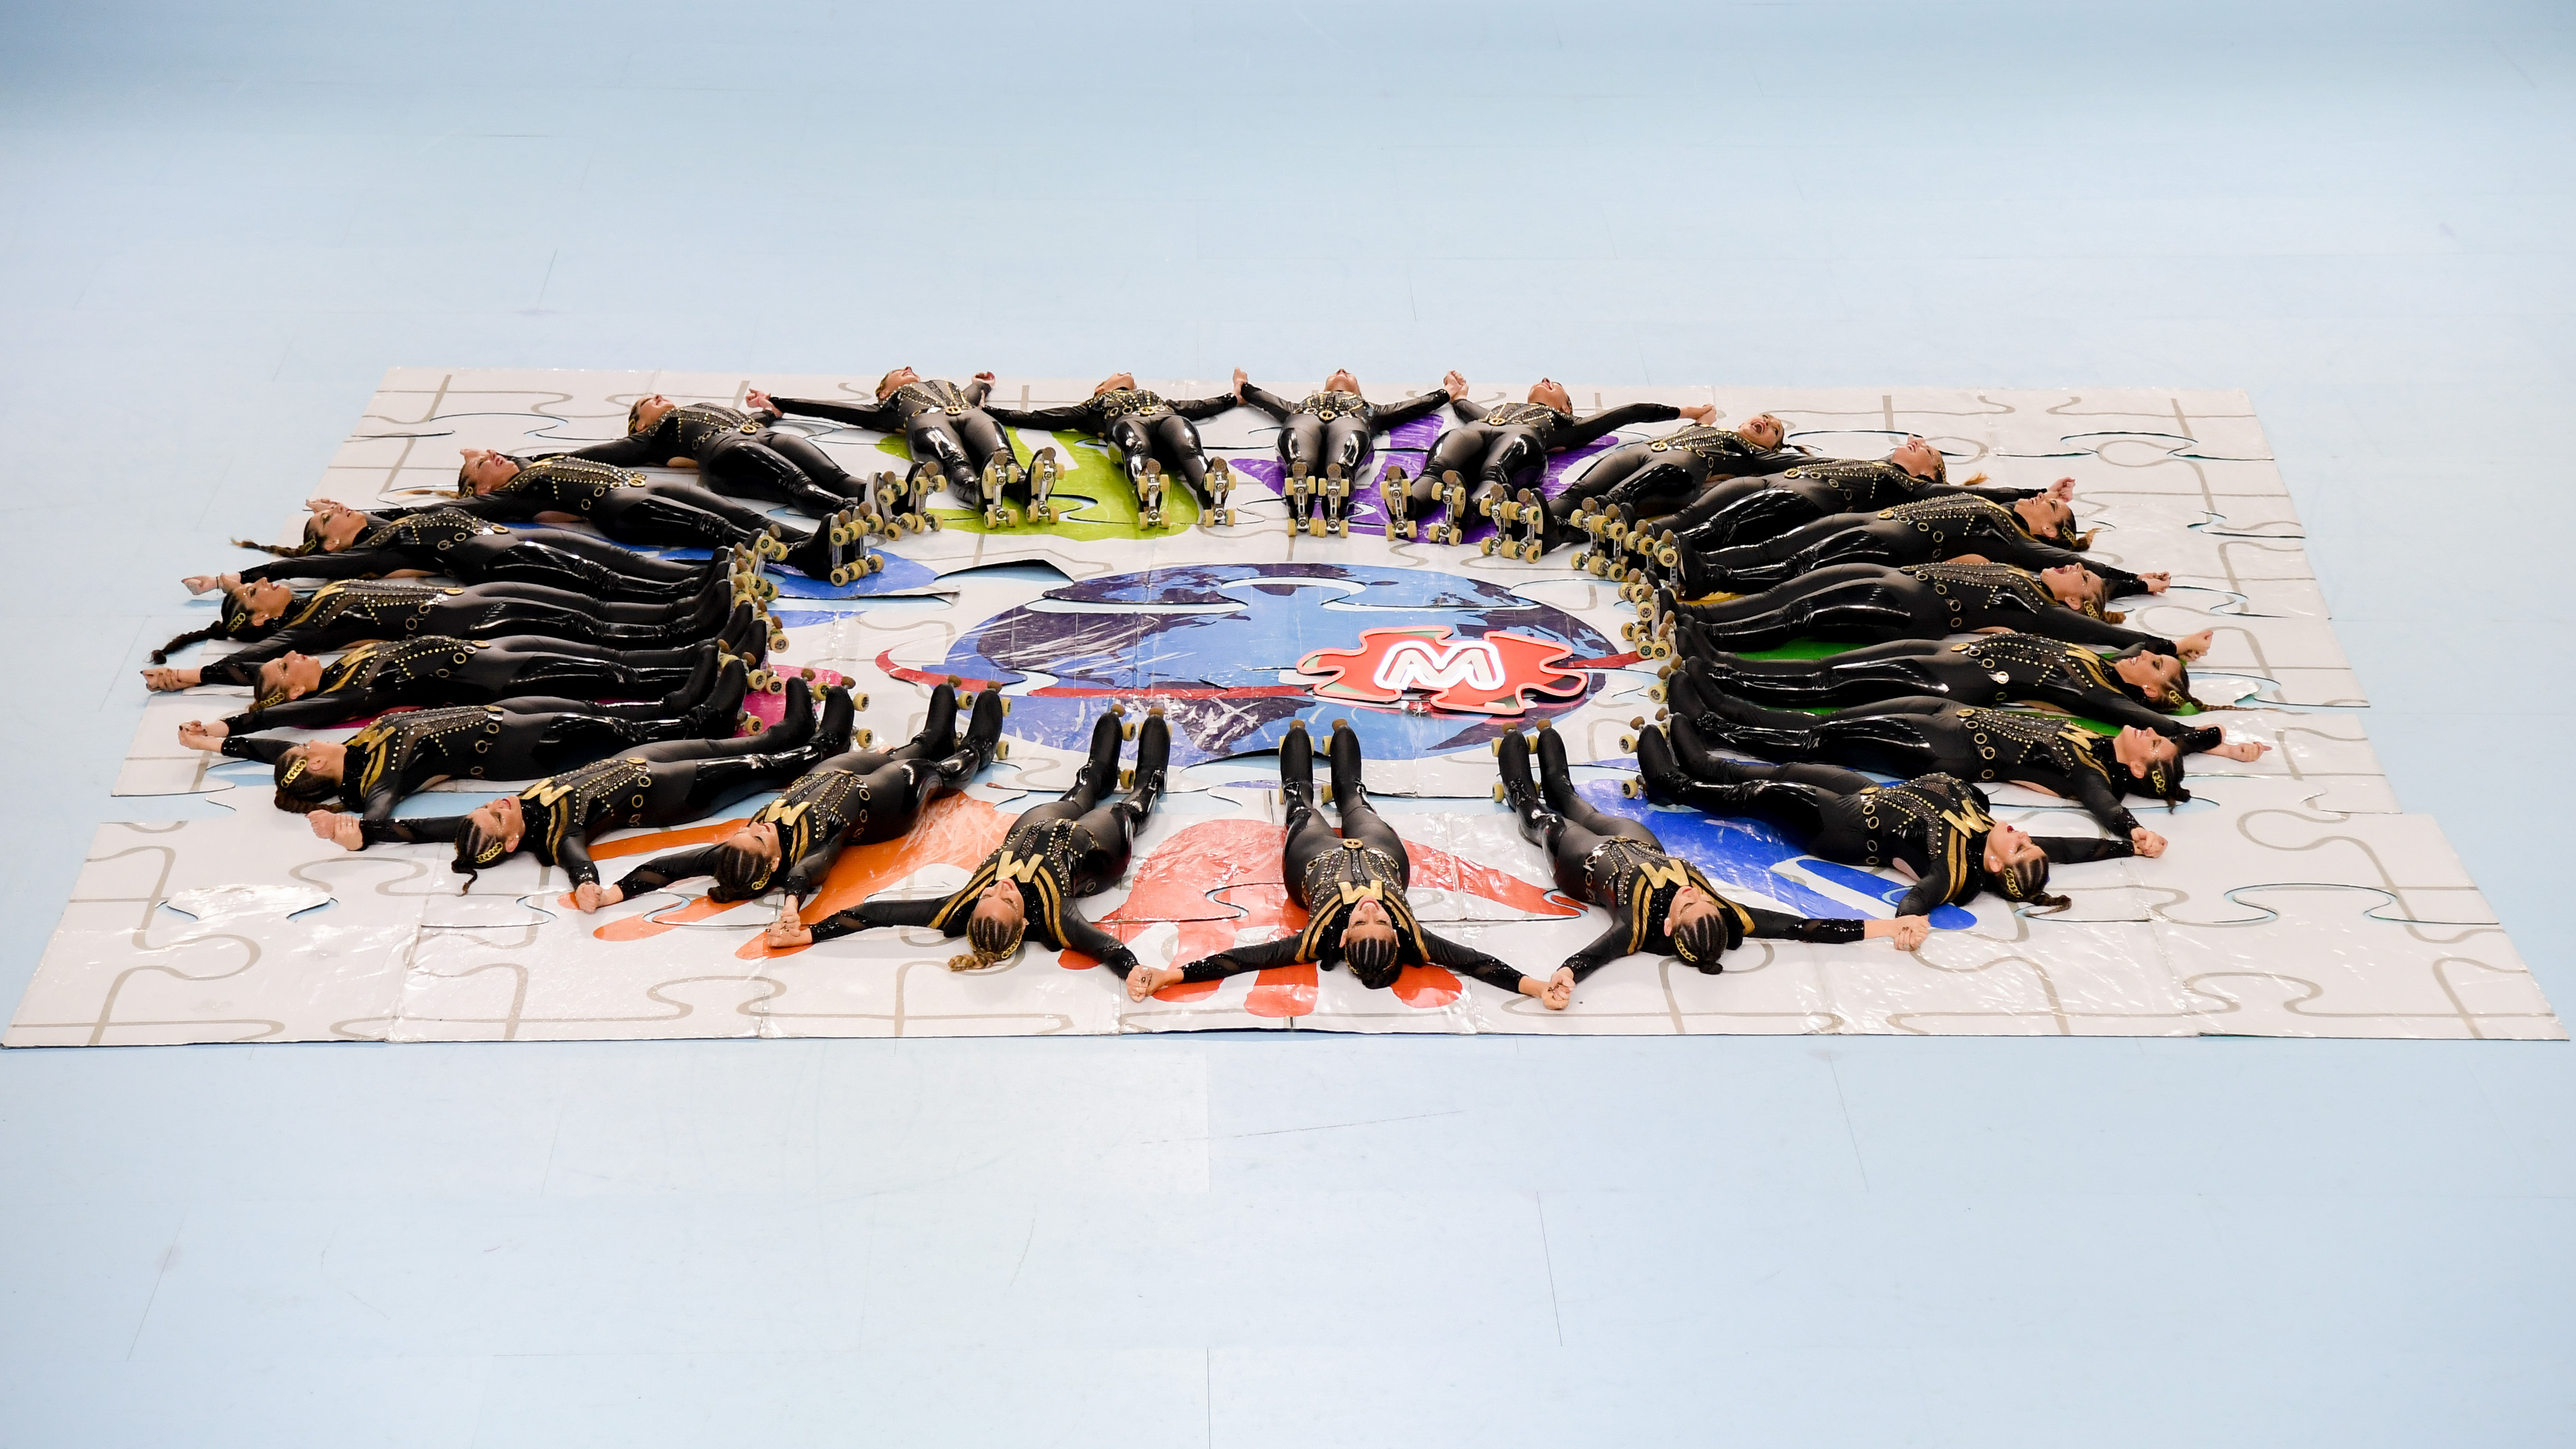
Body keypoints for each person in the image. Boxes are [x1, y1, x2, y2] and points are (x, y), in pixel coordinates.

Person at [1123, 719, 1563, 1007]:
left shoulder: (1318, 938)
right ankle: (1345, 766)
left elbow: (1244, 959)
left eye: (1360, 923)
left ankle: (1298, 762)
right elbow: (1476, 963)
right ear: (1396, 937)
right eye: (1382, 921)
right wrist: (1538, 986)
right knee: (1356, 800)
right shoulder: (1414, 938)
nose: (1370, 910)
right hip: (1381, 855)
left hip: (1313, 859)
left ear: (1345, 936)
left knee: (1301, 806)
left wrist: (1170, 976)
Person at [1495, 723, 1919, 1002]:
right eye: (1703, 900)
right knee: (1573, 801)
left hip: (1583, 863)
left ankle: (1519, 788)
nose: (1692, 893)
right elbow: (1805, 928)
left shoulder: (1635, 926)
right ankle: (1554, 771)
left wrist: (1567, 975)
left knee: (1542, 817)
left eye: (1687, 904)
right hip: (1638, 842)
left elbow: (1593, 955)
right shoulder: (1731, 916)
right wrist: (1888, 927)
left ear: (1668, 926)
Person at [767, 703, 1167, 975]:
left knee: (1079, 794)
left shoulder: (956, 907)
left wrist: (811, 932)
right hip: (1096, 850)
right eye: (1008, 900)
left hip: (1031, 830)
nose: (1001, 887)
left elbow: (875, 914)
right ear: (1024, 921)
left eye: (988, 895)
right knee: (1130, 808)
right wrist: (1133, 971)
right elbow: (1104, 946)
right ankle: (1150, 780)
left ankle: (1097, 775)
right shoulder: (1057, 917)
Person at [1632, 715, 2137, 923]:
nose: (2024, 834)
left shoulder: (1953, 872)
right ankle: (1701, 762)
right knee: (1780, 770)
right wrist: (2129, 840)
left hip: (1838, 827)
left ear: (1998, 867)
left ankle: (1672, 785)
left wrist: (1909, 923)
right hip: (1868, 795)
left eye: (2022, 847)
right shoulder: (1988, 833)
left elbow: (1915, 900)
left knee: (1761, 794)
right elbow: (2065, 847)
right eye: (2029, 840)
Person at [381, 678, 849, 902]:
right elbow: (579, 864)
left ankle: (792, 729)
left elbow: (430, 827)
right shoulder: (557, 836)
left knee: (737, 744)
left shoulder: (518, 810)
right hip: (680, 793)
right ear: (510, 841)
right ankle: (825, 745)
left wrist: (367, 831)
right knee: (765, 767)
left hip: (637, 763)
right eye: (497, 815)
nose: (497, 803)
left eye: (487, 806)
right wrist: (591, 888)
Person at [601, 682, 1005, 925]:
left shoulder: (734, 856)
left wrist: (614, 892)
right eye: (758, 838)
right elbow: (808, 873)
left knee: (897, 754)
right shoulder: (807, 852)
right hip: (885, 803)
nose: (754, 827)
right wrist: (791, 908)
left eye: (744, 832)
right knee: (927, 771)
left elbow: (669, 867)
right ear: (775, 860)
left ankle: (933, 736)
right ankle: (977, 750)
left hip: (832, 775)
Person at [1659, 670, 2186, 852]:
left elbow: (2102, 807)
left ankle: (1714, 726)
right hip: (1947, 715)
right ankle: (1721, 706)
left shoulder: (2091, 774)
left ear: (2140, 770)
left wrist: (2132, 831)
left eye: (2157, 745)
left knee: (1819, 741)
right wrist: (2208, 740)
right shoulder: (2097, 741)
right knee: (1829, 720)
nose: (2151, 732)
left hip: (1938, 748)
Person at [273, 671, 748, 839]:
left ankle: (684, 702)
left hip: (504, 717)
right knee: (615, 732)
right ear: (316, 765)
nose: (312, 742)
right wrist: (350, 833)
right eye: (306, 747)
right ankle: (710, 719)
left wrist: (232, 734)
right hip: (523, 749)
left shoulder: (358, 749)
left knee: (598, 710)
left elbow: (270, 752)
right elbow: (380, 820)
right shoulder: (376, 781)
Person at [139, 575, 755, 692]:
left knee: (586, 605)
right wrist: (194, 674)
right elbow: (263, 659)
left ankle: (691, 615)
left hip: (473, 600)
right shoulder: (305, 626)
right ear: (262, 619)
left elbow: (349, 559)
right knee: (587, 632)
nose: (262, 584)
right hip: (475, 624)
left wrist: (225, 579)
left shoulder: (314, 594)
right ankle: (694, 642)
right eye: (254, 593)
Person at [1673, 633, 2270, 752]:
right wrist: (2179, 647)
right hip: (1946, 653)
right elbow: (2114, 640)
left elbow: (2124, 711)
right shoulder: (2104, 659)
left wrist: (2203, 738)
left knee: (1834, 687)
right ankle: (1720, 663)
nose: (2145, 657)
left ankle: (1721, 689)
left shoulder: (2096, 687)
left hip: (1952, 680)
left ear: (2154, 694)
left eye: (2157, 666)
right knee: (1832, 664)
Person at [172, 634, 753, 741]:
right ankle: (709, 678)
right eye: (285, 668)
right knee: (609, 677)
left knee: (606, 657)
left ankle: (704, 652)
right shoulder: (350, 693)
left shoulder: (346, 661)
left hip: (498, 654)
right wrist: (225, 726)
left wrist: (199, 674)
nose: (294, 655)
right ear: (295, 694)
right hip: (506, 679)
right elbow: (271, 717)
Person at [429, 448, 870, 582]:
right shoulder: (510, 495)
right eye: (482, 464)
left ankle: (822, 544)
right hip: (621, 506)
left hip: (645, 484)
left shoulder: (536, 464)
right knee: (718, 527)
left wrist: (473, 454)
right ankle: (805, 560)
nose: (492, 455)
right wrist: (393, 517)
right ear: (481, 489)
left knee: (741, 514)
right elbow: (450, 508)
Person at [1640, 561, 2210, 662]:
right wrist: (2135, 582)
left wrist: (2173, 646)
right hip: (1891, 578)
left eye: (2082, 578)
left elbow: (2100, 633)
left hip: (1898, 607)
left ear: (2075, 602)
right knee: (1787, 594)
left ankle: (1699, 640)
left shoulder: (2038, 608)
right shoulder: (2024, 576)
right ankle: (1689, 616)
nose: (2074, 567)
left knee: (1805, 616)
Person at [1659, 490, 2161, 601]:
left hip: (1882, 545)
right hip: (1865, 522)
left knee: (1798, 567)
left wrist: (2134, 582)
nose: (2038, 499)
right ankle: (1689, 562)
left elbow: (2068, 561)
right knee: (1777, 547)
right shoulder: (1995, 508)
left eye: (2048, 507)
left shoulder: (2010, 540)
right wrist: (2033, 490)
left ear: (2048, 531)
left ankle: (1707, 578)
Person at [1398, 380, 1714, 554]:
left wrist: (1688, 413)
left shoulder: (1568, 423)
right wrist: (1459, 396)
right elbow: (1466, 409)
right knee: (1442, 461)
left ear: (1566, 407)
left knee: (1496, 470)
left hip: (1523, 440)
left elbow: (1630, 412)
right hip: (1478, 430)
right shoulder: (1502, 409)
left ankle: (1471, 510)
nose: (1547, 379)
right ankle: (1409, 501)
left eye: (1556, 385)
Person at [1625, 437, 2052, 565]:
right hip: (1774, 481)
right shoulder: (1866, 464)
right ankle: (1624, 534)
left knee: (1715, 529)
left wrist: (2024, 494)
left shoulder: (1909, 487)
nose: (1915, 440)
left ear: (1929, 474)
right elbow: (1791, 460)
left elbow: (1967, 495)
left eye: (1926, 450)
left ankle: (1645, 554)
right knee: (1692, 514)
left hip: (1796, 501)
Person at [210, 500, 727, 601]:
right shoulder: (379, 550)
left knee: (623, 561)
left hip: (514, 537)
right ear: (335, 543)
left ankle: (710, 576)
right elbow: (310, 564)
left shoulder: (392, 523)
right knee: (603, 580)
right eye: (329, 520)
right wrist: (234, 578)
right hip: (498, 558)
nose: (338, 511)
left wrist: (331, 507)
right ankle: (699, 592)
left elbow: (399, 511)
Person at [768, 369, 1029, 527]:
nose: (907, 368)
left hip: (969, 412)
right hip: (926, 421)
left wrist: (981, 385)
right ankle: (977, 493)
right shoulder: (889, 407)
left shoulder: (948, 388)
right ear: (883, 393)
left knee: (1003, 457)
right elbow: (834, 410)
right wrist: (781, 403)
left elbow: (970, 396)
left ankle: (1024, 486)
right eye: (897, 372)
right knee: (956, 463)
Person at [983, 373, 1239, 528]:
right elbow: (1043, 417)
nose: (1127, 373)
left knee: (1190, 449)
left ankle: (1210, 488)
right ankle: (1146, 488)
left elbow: (1198, 406)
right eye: (1117, 374)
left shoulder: (1158, 399)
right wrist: (990, 412)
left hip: (1168, 419)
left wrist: (1234, 397)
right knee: (1137, 449)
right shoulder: (1094, 406)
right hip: (1128, 424)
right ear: (1101, 389)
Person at [1232, 367, 1466, 536]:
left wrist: (1446, 392)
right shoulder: (1302, 405)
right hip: (1305, 422)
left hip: (1346, 424)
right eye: (1337, 372)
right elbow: (1271, 401)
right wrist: (1244, 389)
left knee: (1348, 450)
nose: (1342, 370)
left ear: (1359, 390)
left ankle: (1338, 477)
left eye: (1349, 375)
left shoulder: (1371, 410)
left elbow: (1410, 408)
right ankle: (1301, 475)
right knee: (1298, 449)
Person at [572, 391, 872, 522]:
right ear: (640, 425)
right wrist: (550, 459)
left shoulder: (696, 410)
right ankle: (855, 512)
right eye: (648, 401)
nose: (658, 396)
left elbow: (757, 418)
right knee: (798, 485)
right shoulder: (651, 436)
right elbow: (604, 453)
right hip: (726, 450)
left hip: (756, 434)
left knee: (836, 477)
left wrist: (768, 409)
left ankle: (881, 498)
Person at [1560, 413, 1801, 569]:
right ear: (1742, 423)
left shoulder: (1756, 456)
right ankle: (1543, 519)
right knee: (1581, 491)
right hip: (1646, 450)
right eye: (1765, 417)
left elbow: (1805, 464)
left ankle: (1563, 531)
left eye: (1775, 430)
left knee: (1615, 500)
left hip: (1679, 470)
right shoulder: (1707, 428)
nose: (1767, 423)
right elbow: (1706, 416)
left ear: (1773, 449)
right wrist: (1698, 412)